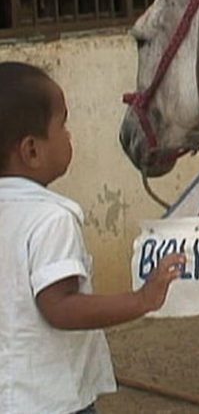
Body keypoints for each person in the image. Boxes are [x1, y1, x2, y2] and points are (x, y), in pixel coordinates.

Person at [0, 62, 185, 414]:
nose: (70, 136)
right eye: (62, 125)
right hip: (50, 401)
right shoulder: (51, 218)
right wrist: (142, 298)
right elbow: (60, 306)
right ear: (32, 151)